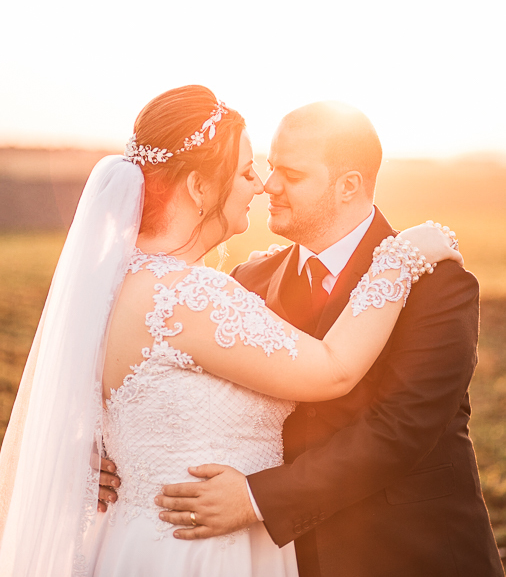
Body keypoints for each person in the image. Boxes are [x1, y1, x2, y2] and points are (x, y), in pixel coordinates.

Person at [0, 87, 459, 577]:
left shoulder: (114, 284)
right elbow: (333, 370)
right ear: (199, 188)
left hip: (137, 543)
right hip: (199, 552)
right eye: (247, 171)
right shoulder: (194, 296)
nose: (261, 185)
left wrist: (92, 453)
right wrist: (401, 257)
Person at [155, 101, 503, 577]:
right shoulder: (248, 281)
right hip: (289, 558)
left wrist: (257, 499)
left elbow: (400, 428)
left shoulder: (436, 284)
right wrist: (114, 452)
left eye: (292, 175)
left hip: (417, 552)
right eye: (271, 167)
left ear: (349, 186)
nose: (269, 185)